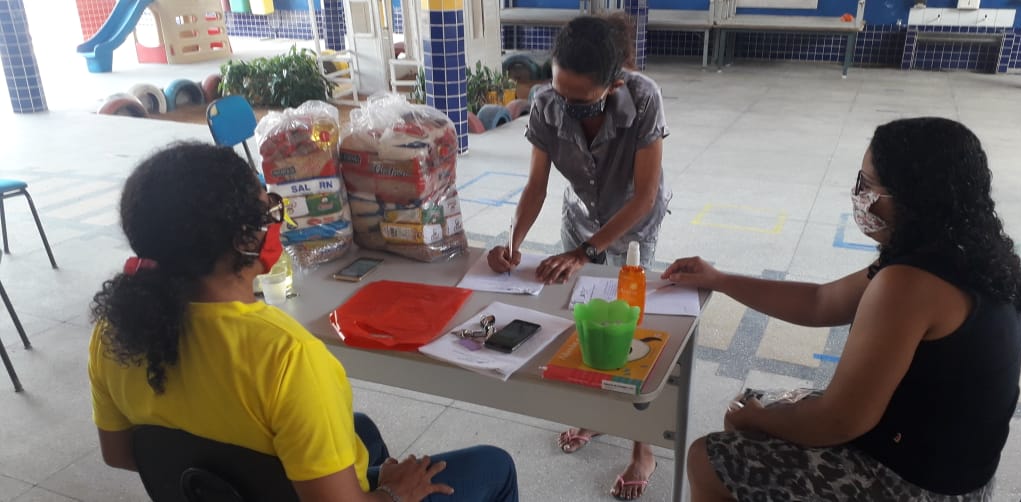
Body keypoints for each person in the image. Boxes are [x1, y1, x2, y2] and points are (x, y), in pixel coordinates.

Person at [88, 142, 519, 502]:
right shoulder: (286, 357)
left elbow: (122, 453)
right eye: (269, 215)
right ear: (244, 238)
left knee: (359, 429)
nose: (275, 226)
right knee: (493, 465)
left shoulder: (114, 333)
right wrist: (391, 492)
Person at [662, 118, 1021, 501]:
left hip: (916, 486)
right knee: (755, 411)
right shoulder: (968, 253)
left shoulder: (909, 284)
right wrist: (718, 279)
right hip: (947, 465)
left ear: (914, 197)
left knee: (707, 458)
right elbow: (821, 301)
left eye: (868, 186)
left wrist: (757, 418)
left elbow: (840, 420)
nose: (858, 194)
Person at [486, 14, 671, 501]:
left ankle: (642, 449)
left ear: (613, 84)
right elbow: (536, 184)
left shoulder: (644, 97)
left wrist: (585, 252)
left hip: (631, 227)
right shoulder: (548, 105)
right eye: (557, 90)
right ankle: (593, 416)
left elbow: (645, 196)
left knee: (628, 332)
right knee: (583, 320)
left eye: (579, 99)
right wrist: (513, 243)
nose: (563, 105)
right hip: (580, 219)